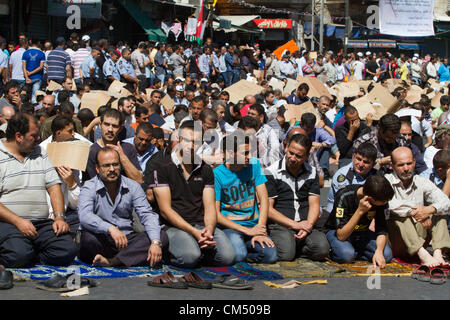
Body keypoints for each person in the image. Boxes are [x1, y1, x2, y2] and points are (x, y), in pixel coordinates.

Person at [148, 120, 235, 267]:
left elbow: (209, 207)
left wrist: (209, 230)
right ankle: (181, 252)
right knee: (190, 257)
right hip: (173, 226)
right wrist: (194, 232)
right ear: (180, 140)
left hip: (200, 224)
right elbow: (165, 210)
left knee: (228, 257)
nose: (191, 146)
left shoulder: (205, 169)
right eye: (187, 140)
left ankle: (199, 249)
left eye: (196, 142)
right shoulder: (162, 165)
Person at [0, 113, 77, 267]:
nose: (38, 139)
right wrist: (18, 221)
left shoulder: (40, 153)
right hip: (9, 223)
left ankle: (30, 255)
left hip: (41, 224)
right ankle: (23, 253)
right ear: (18, 136)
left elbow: (53, 187)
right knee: (18, 255)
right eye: (34, 136)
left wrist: (59, 217)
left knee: (67, 250)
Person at [78, 147, 167, 267]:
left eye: (115, 164)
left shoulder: (132, 186)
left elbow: (146, 214)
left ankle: (112, 262)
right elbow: (84, 216)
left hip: (126, 241)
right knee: (88, 239)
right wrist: (110, 228)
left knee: (161, 236)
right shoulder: (89, 187)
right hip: (102, 239)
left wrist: (155, 242)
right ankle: (129, 258)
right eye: (106, 166)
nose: (112, 169)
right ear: (97, 169)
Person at [214, 130, 277, 264]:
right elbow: (216, 214)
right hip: (232, 226)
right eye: (245, 153)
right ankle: (241, 250)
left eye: (250, 152)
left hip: (253, 224)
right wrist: (247, 231)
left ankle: (247, 251)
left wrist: (260, 228)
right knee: (238, 256)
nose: (250, 156)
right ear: (231, 153)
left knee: (271, 256)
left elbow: (264, 199)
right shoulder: (217, 174)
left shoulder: (253, 165)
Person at [265, 133, 330, 261]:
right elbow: (268, 209)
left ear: (306, 156)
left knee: (322, 249)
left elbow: (314, 204)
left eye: (298, 156)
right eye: (291, 153)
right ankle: (291, 245)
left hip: (305, 222)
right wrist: (294, 225)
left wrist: (308, 225)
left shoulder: (312, 173)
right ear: (286, 147)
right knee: (286, 255)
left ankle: (297, 245)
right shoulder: (271, 172)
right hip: (281, 224)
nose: (293, 158)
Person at [386, 147, 450, 267]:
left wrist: (429, 210)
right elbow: (391, 205)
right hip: (397, 240)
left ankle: (438, 253)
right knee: (400, 216)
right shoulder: (387, 181)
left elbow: (446, 202)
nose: (406, 168)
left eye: (409, 164)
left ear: (414, 162)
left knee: (438, 212)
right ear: (392, 165)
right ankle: (423, 255)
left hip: (420, 235)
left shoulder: (421, 181)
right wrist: (417, 212)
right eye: (401, 165)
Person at [324, 175, 394, 268]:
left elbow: (382, 230)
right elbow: (341, 236)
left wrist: (379, 252)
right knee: (346, 255)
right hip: (338, 232)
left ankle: (355, 253)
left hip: (362, 233)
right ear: (369, 198)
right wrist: (360, 211)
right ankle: (341, 252)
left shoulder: (381, 199)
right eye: (383, 202)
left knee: (387, 255)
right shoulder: (344, 195)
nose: (385, 203)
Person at [353, 113, 427, 174]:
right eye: (388, 137)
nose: (392, 140)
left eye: (394, 137)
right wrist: (380, 163)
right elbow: (358, 167)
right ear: (379, 129)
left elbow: (419, 165)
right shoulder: (363, 142)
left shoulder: (401, 140)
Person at [85, 108, 142, 184]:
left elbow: (139, 180)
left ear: (120, 128)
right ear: (100, 125)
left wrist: (122, 156)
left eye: (114, 126)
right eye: (106, 124)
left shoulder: (128, 148)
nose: (110, 129)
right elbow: (92, 184)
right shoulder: (91, 151)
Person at [326, 142, 378, 214]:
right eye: (359, 159)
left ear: (373, 164)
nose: (361, 164)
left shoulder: (377, 176)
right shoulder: (342, 175)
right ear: (353, 157)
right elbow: (341, 203)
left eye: (366, 162)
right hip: (339, 212)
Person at [301, 112, 336, 179]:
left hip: (314, 157)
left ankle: (323, 170)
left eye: (310, 129)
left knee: (326, 147)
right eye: (306, 129)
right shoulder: (295, 129)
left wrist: (321, 144)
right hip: (300, 155)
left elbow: (332, 140)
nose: (308, 131)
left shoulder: (318, 130)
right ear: (301, 124)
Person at [22, 38, 45, 104]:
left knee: (25, 96)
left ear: (30, 42)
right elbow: (41, 67)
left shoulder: (25, 53)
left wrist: (26, 76)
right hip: (38, 77)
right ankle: (34, 110)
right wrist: (31, 73)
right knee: (34, 97)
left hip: (28, 78)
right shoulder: (41, 53)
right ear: (38, 43)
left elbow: (23, 66)